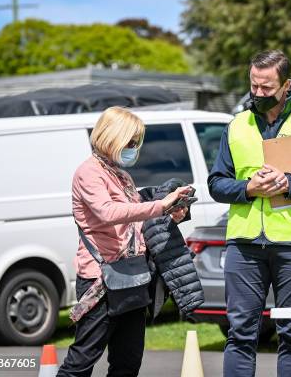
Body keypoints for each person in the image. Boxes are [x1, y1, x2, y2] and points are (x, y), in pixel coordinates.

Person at [208, 49, 291, 377]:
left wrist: (289, 184)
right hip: (244, 244)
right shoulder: (236, 125)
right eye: (254, 86)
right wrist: (248, 189)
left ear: (286, 85)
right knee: (240, 334)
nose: (258, 93)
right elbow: (216, 183)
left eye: (267, 88)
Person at [57, 106, 191, 377]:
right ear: (111, 137)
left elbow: (135, 226)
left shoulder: (121, 176)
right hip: (101, 281)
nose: (134, 148)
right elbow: (108, 213)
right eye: (130, 142)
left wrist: (171, 214)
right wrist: (158, 206)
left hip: (132, 277)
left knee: (128, 363)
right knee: (82, 361)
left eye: (136, 142)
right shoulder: (89, 172)